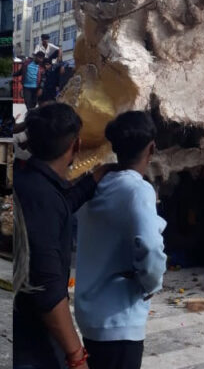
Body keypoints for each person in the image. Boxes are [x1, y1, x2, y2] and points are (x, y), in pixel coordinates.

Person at [13, 103, 102, 369]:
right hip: (33, 342)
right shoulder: (42, 197)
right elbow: (48, 290)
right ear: (76, 145)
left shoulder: (32, 182)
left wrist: (93, 180)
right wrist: (76, 356)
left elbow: (61, 206)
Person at [75, 111, 166, 369]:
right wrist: (151, 284)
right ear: (152, 148)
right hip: (120, 321)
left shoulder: (97, 184)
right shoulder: (137, 190)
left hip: (91, 315)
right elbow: (150, 246)